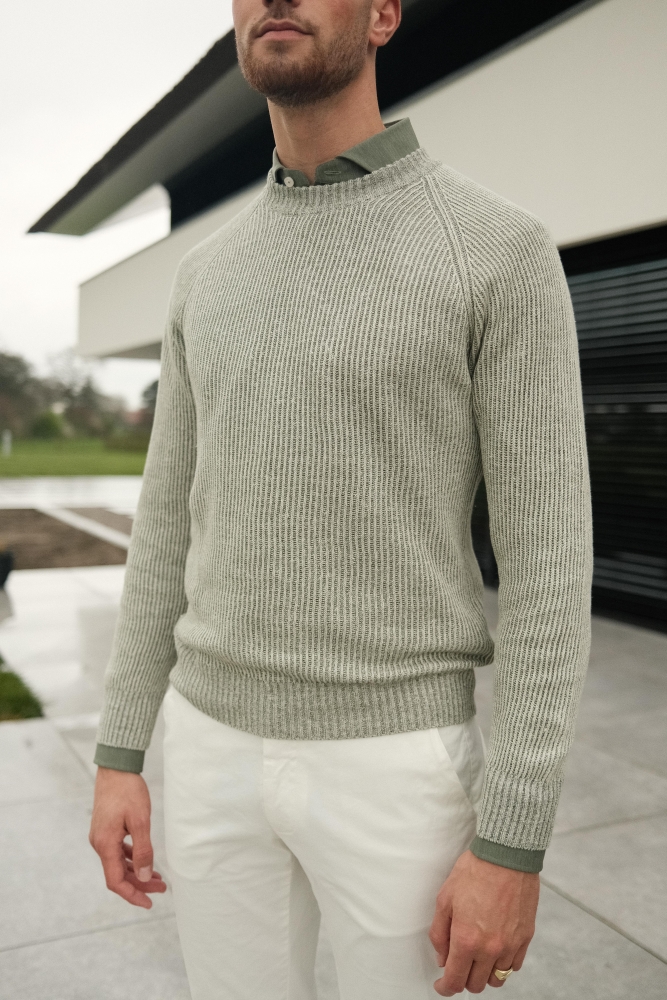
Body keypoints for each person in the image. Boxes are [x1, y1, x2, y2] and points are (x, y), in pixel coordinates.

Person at [89, 1, 593, 996]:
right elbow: (166, 525)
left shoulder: (498, 251)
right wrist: (119, 751)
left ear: (383, 13)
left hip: (396, 764)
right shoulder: (205, 275)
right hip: (208, 747)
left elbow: (549, 563)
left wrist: (512, 839)